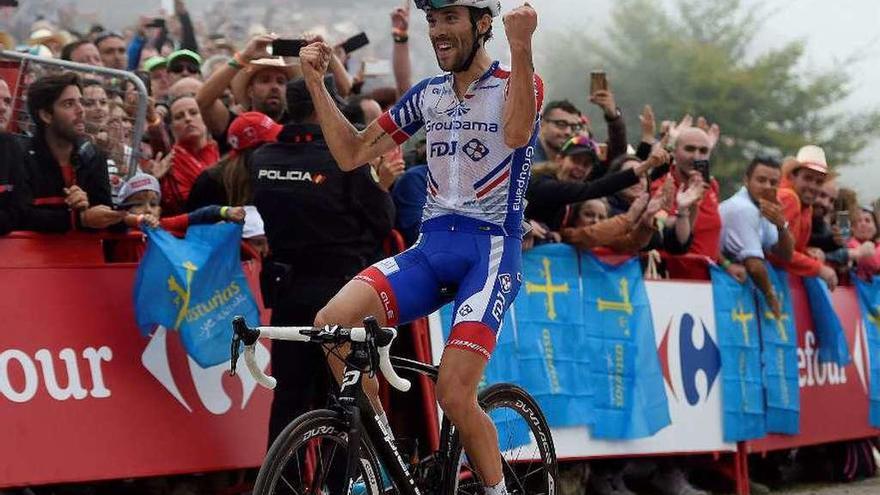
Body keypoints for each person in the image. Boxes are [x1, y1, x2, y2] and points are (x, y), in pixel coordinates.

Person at [299, 2, 539, 493]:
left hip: (490, 253)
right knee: (331, 325)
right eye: (432, 21)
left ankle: (496, 490)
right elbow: (350, 154)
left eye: (450, 18)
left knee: (453, 393)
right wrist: (315, 85)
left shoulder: (520, 81)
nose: (438, 32)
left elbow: (516, 133)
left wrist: (521, 44)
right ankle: (386, 467)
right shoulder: (427, 95)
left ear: (482, 24)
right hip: (430, 249)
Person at [250, 76, 394, 446]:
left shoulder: (261, 158)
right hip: (340, 295)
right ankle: (345, 482)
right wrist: (382, 187)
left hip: (288, 294)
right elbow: (381, 221)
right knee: (345, 398)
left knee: (290, 401)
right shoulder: (342, 161)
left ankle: (282, 488)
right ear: (322, 105)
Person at [21, 72, 122, 231]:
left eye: (80, 102)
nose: (81, 110)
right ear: (46, 115)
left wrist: (130, 218)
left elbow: (103, 215)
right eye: (69, 104)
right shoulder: (20, 158)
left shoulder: (93, 156)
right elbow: (19, 215)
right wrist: (78, 218)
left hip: (83, 253)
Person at [526, 135, 667, 231]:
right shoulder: (542, 184)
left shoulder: (571, 193)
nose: (580, 168)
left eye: (586, 164)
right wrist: (646, 165)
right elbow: (595, 188)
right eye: (576, 160)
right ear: (559, 159)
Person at [109, 173, 245, 262]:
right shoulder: (117, 227)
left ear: (160, 209)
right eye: (138, 204)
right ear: (124, 209)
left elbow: (199, 216)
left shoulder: (164, 225)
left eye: (153, 204)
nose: (148, 209)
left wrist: (226, 211)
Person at [719, 157, 795, 315]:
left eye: (773, 183)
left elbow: (786, 254)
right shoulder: (742, 208)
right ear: (746, 180)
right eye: (761, 180)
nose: (767, 187)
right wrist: (771, 296)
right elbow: (754, 266)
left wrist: (782, 226)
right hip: (718, 282)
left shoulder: (763, 206)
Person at [196, 34, 298, 150]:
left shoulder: (298, 126)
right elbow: (202, 101)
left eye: (280, 82)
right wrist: (243, 57)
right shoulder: (234, 124)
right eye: (265, 80)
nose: (274, 87)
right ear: (250, 91)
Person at [768, 145, 838, 290]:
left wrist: (808, 253)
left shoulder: (806, 206)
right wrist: (819, 268)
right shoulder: (789, 197)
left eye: (819, 182)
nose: (813, 186)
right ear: (793, 176)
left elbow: (792, 248)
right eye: (808, 178)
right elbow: (777, 250)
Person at [187, 111, 282, 210]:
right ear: (256, 149)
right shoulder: (211, 183)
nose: (279, 147)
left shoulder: (272, 173)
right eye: (273, 142)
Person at [150, 95, 220, 216]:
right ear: (171, 128)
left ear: (206, 117)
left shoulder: (221, 149)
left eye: (193, 113)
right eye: (179, 117)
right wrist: (154, 180)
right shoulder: (167, 163)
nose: (188, 119)